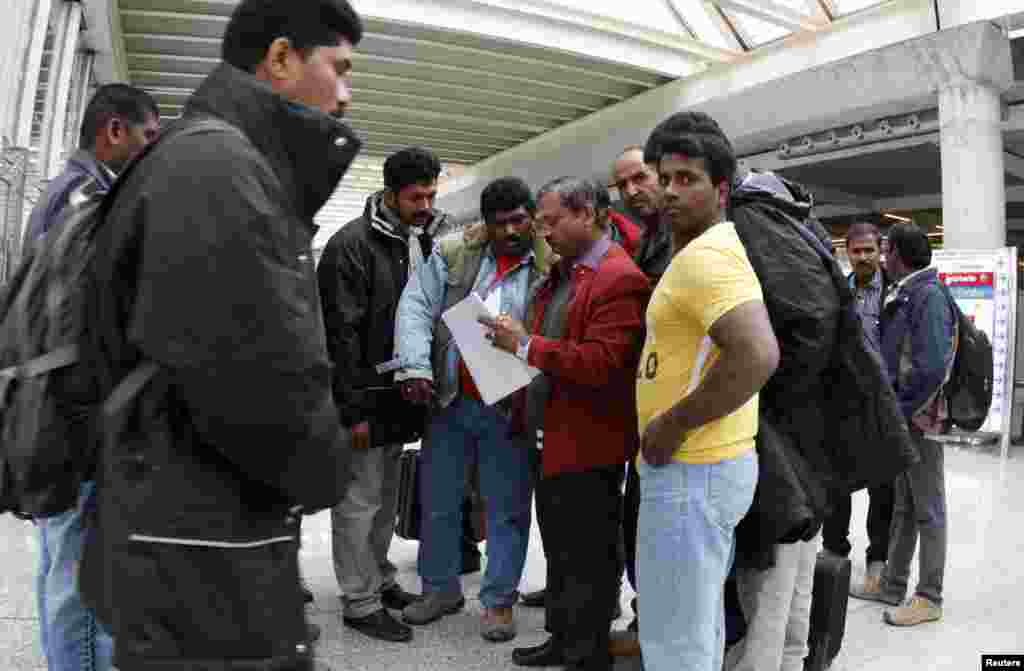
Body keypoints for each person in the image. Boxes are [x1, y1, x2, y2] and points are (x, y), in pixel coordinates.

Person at [78, 1, 365, 669]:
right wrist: (327, 465)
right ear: (283, 58)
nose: (348, 96)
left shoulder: (208, 158)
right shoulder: (219, 172)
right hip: (200, 554)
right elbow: (256, 379)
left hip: (186, 534)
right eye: (341, 70)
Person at [483, 177, 647, 670]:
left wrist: (527, 346)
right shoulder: (565, 273)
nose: (543, 231)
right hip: (550, 435)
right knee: (559, 548)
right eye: (541, 223)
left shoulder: (618, 278)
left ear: (591, 214)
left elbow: (602, 362)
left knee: (589, 557)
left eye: (552, 221)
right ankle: (563, 637)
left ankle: (586, 652)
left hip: (588, 442)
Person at [635, 111, 779, 671]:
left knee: (675, 641)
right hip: (706, 466)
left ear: (720, 190)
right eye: (664, 177)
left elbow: (758, 353)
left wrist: (673, 423)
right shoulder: (700, 251)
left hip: (692, 467)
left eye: (687, 179)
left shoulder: (707, 259)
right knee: (694, 627)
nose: (670, 191)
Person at [25, 82, 159, 671]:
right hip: (78, 419)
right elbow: (88, 329)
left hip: (62, 413)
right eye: (147, 137)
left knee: (66, 565)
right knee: (81, 573)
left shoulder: (70, 194)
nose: (151, 151)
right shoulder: (88, 201)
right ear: (114, 131)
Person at [394, 177, 550, 642]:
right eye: (499, 223)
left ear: (531, 217)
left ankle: (499, 601)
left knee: (508, 507)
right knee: (439, 502)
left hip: (511, 405)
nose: (509, 232)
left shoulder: (549, 260)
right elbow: (416, 307)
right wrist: (416, 366)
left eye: (519, 221)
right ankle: (439, 589)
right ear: (485, 223)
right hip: (450, 401)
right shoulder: (454, 253)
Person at [317, 146, 448, 643]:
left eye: (432, 194)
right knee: (358, 501)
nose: (427, 204)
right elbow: (338, 336)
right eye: (418, 196)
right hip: (364, 399)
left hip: (397, 398)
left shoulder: (414, 239)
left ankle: (378, 577)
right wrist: (351, 411)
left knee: (384, 499)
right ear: (391, 193)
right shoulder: (351, 245)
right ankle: (359, 600)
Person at [852, 221, 954, 627]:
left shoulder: (927, 295)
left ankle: (929, 596)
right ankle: (892, 584)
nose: (881, 257)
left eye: (885, 249)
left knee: (928, 508)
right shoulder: (911, 291)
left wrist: (902, 407)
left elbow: (930, 368)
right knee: (905, 508)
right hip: (905, 417)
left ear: (897, 253)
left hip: (920, 420)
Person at [823, 222, 894, 592]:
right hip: (844, 403)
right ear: (846, 253)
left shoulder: (895, 293)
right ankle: (835, 554)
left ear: (880, 250)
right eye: (856, 251)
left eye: (869, 250)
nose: (863, 257)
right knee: (837, 486)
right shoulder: (840, 291)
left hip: (883, 405)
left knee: (883, 489)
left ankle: (878, 561)